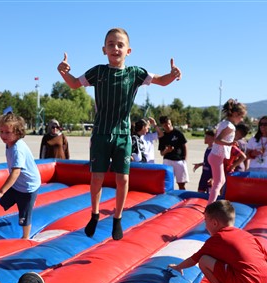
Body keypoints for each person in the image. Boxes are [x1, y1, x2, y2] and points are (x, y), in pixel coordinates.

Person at [57, 27, 181, 240]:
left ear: (128, 51)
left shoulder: (135, 73)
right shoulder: (98, 71)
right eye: (111, 44)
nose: (115, 48)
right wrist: (63, 71)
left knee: (123, 178)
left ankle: (117, 218)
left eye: (120, 45)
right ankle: (95, 214)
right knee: (96, 177)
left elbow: (161, 80)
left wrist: (173, 75)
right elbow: (74, 84)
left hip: (123, 134)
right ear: (104, 49)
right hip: (101, 133)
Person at [168, 200, 267, 283]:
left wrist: (178, 267)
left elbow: (195, 258)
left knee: (204, 260)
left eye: (206, 221)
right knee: (231, 262)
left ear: (214, 223)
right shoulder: (246, 235)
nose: (205, 225)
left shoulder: (218, 238)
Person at [0, 113, 41, 240]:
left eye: (7, 132)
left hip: (28, 186)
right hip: (18, 183)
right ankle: (14, 200)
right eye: (1, 131)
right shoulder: (9, 143)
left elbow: (15, 172)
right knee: (4, 203)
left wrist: (1, 191)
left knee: (24, 213)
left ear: (18, 133)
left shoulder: (17, 149)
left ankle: (25, 237)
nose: (3, 136)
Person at [208, 99, 247, 204]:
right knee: (218, 183)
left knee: (221, 181)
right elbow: (217, 140)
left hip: (216, 156)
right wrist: (229, 144)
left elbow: (218, 138)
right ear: (234, 114)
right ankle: (209, 206)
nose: (242, 119)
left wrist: (230, 143)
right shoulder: (230, 127)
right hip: (216, 156)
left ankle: (212, 202)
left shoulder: (224, 123)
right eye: (241, 116)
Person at [158, 116, 189, 190]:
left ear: (171, 122)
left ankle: (182, 198)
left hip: (179, 161)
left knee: (181, 184)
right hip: (168, 161)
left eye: (169, 123)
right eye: (165, 125)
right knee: (167, 184)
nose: (168, 126)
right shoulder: (162, 136)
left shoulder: (178, 133)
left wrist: (185, 159)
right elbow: (162, 153)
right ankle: (168, 199)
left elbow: (185, 145)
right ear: (162, 126)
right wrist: (166, 151)